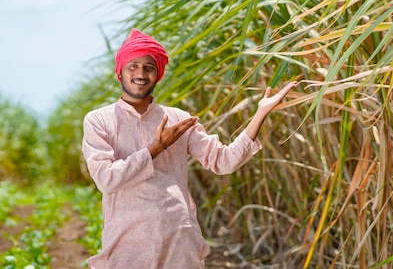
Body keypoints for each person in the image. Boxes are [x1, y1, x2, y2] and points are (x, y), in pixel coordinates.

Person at [81, 28, 297, 269]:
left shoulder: (178, 118)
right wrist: (157, 147)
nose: (140, 73)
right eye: (133, 66)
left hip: (179, 238)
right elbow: (106, 179)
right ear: (119, 72)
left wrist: (260, 113)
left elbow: (224, 161)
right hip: (127, 242)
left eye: (148, 67)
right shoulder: (99, 120)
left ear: (158, 75)